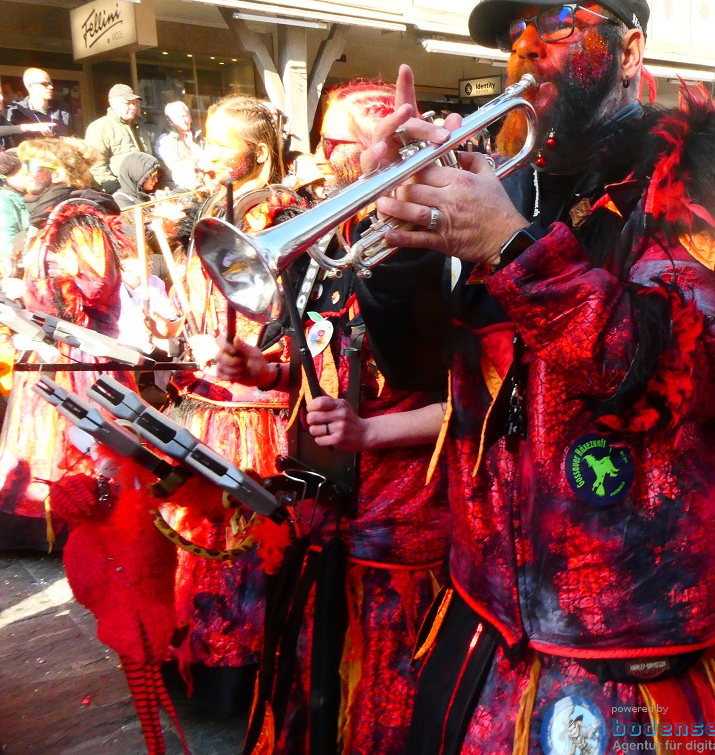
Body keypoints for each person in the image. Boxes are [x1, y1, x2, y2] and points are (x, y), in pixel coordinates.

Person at [353, 0, 715, 753]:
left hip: (627, 627)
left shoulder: (702, 175)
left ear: (629, 51)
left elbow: (676, 381)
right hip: (488, 605)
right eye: (515, 36)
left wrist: (511, 249)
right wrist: (402, 238)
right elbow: (424, 372)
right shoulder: (513, 177)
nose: (527, 50)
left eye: (559, 27)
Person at [215, 79, 450, 754]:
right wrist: (267, 372)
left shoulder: (438, 243)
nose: (321, 158)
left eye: (336, 143)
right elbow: (339, 365)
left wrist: (371, 432)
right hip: (331, 510)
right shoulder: (338, 238)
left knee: (386, 702)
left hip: (403, 529)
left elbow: (485, 402)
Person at [161, 94, 293, 715]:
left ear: (257, 153)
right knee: (201, 543)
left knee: (240, 551)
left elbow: (278, 317)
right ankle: (205, 667)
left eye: (220, 142)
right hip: (209, 399)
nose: (206, 153)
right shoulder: (213, 210)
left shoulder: (276, 214)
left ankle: (241, 676)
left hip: (253, 409)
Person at [0, 137, 129, 551]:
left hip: (81, 352)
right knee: (46, 441)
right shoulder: (48, 220)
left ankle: (88, 519)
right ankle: (50, 526)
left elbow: (99, 284)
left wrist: (57, 274)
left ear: (56, 171)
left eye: (34, 166)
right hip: (48, 345)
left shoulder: (82, 219)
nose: (24, 176)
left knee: (84, 439)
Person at [85, 84, 144, 194]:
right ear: (112, 104)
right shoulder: (100, 127)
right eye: (128, 103)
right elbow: (96, 165)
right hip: (120, 191)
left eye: (135, 103)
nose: (133, 107)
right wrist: (114, 188)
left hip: (146, 187)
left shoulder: (141, 125)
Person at [5, 68, 69, 145]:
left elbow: (69, 136)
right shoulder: (16, 112)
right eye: (44, 84)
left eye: (50, 83)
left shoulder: (62, 109)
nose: (50, 87)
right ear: (30, 86)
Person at [155, 100, 204, 191]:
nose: (183, 120)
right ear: (171, 122)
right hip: (177, 189)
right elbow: (178, 169)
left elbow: (206, 162)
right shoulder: (165, 140)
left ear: (190, 117)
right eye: (178, 118)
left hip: (202, 185)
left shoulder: (198, 136)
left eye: (185, 116)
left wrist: (192, 145)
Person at [0, 150, 30, 276]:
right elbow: (8, 241)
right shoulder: (4, 201)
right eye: (23, 175)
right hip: (22, 264)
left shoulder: (33, 193)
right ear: (8, 176)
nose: (29, 178)